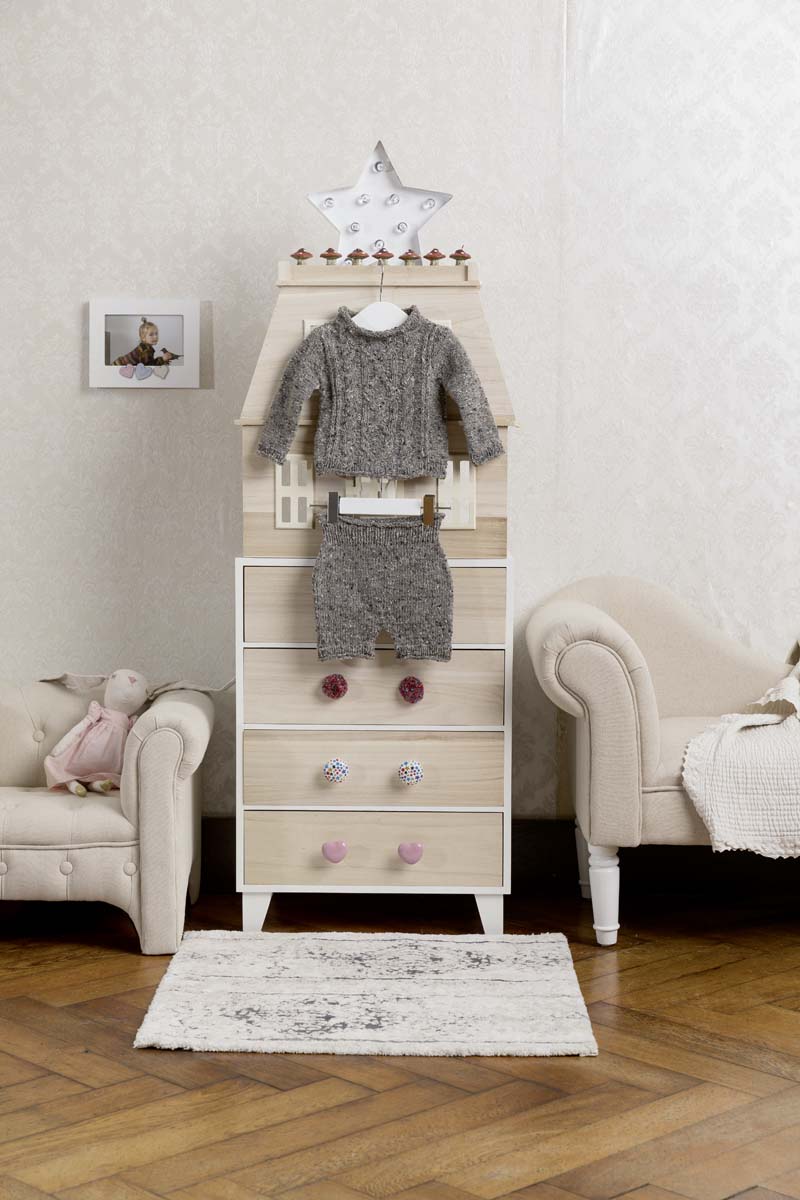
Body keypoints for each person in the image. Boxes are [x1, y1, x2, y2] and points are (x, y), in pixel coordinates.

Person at [112, 317, 177, 367]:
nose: (155, 337)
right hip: (117, 366)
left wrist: (163, 360)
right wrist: (162, 359)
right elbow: (149, 366)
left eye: (156, 334)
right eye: (151, 334)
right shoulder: (145, 350)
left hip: (119, 364)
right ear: (143, 338)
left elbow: (148, 363)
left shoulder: (145, 347)